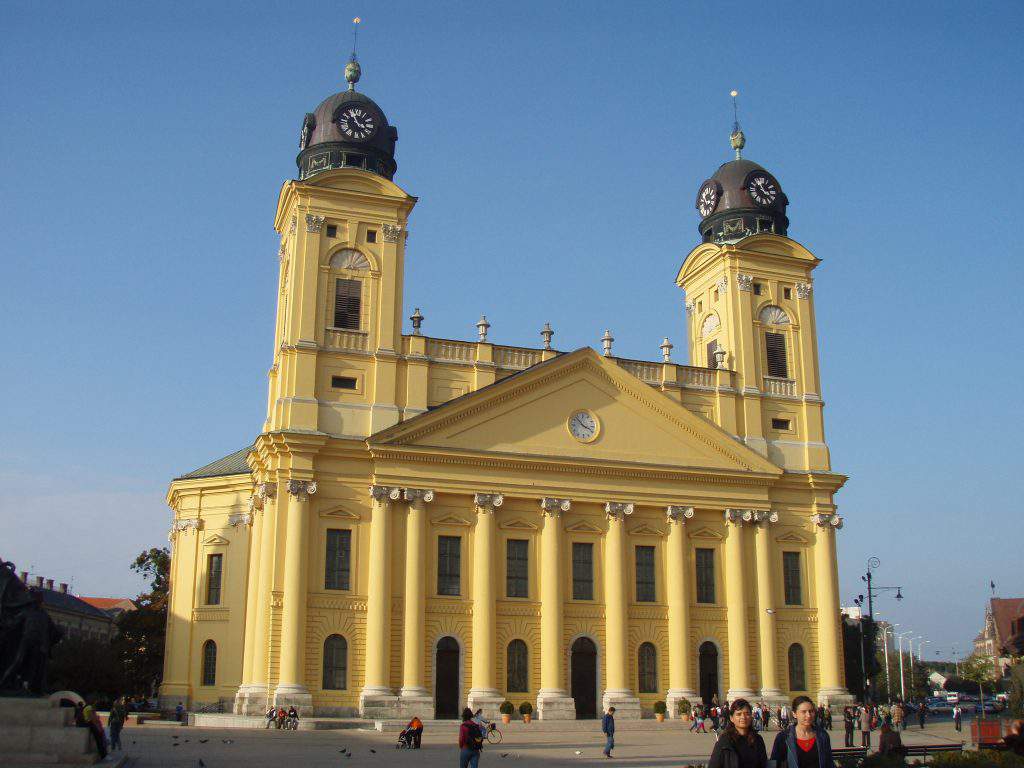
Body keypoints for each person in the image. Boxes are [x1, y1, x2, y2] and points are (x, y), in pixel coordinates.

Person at [770, 696, 834, 768]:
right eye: (804, 712)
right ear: (794, 714)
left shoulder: (822, 735)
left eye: (811, 711)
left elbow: (829, 762)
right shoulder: (783, 737)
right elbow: (774, 764)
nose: (809, 715)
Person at [708, 699, 768, 768]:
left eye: (747, 714)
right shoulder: (725, 741)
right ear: (731, 718)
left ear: (751, 716)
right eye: (738, 714)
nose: (743, 717)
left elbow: (763, 764)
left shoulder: (757, 739)